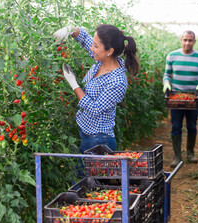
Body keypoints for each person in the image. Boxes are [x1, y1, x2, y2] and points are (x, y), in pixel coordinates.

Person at [53, 24, 139, 177]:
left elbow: (94, 108)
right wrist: (69, 30)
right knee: (85, 183)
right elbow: (84, 37)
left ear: (109, 51)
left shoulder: (118, 81)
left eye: (96, 46)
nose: (92, 48)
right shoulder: (102, 60)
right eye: (93, 44)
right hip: (88, 135)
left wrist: (74, 84)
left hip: (98, 140)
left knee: (85, 185)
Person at [162, 30, 198, 168]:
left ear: (194, 41)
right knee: (176, 126)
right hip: (176, 97)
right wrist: (166, 83)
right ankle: (177, 155)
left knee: (192, 125)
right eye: (185, 40)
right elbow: (167, 75)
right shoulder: (172, 56)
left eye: (190, 40)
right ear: (181, 40)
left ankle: (190, 152)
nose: (187, 43)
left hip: (193, 97)